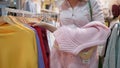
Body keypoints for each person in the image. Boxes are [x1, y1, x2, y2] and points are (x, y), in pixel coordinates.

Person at [32, 0, 110, 68]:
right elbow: (62, 32)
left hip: (84, 56)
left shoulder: (92, 2)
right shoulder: (62, 4)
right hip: (63, 56)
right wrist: (46, 25)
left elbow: (101, 30)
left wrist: (73, 35)